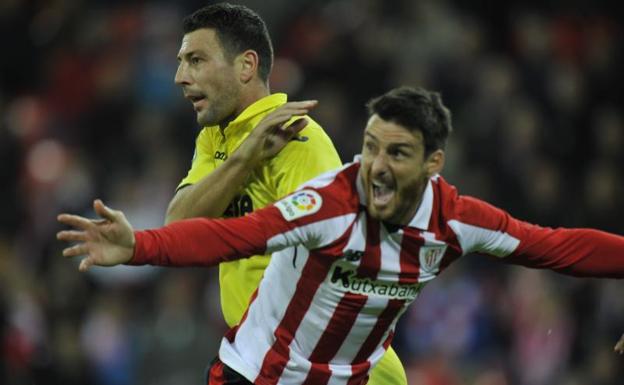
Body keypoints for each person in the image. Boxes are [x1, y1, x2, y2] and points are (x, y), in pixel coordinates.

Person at [58, 86, 624, 385]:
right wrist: (140, 248)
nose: (375, 165)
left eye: (396, 153)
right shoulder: (330, 203)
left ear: (433, 164)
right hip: (255, 377)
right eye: (372, 146)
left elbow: (559, 248)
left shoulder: (456, 221)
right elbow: (234, 238)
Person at [164, 2, 406, 384]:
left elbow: (344, 256)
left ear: (246, 66)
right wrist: (245, 158)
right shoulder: (216, 140)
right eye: (181, 61)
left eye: (196, 60)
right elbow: (177, 230)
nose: (180, 76)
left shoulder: (298, 141)